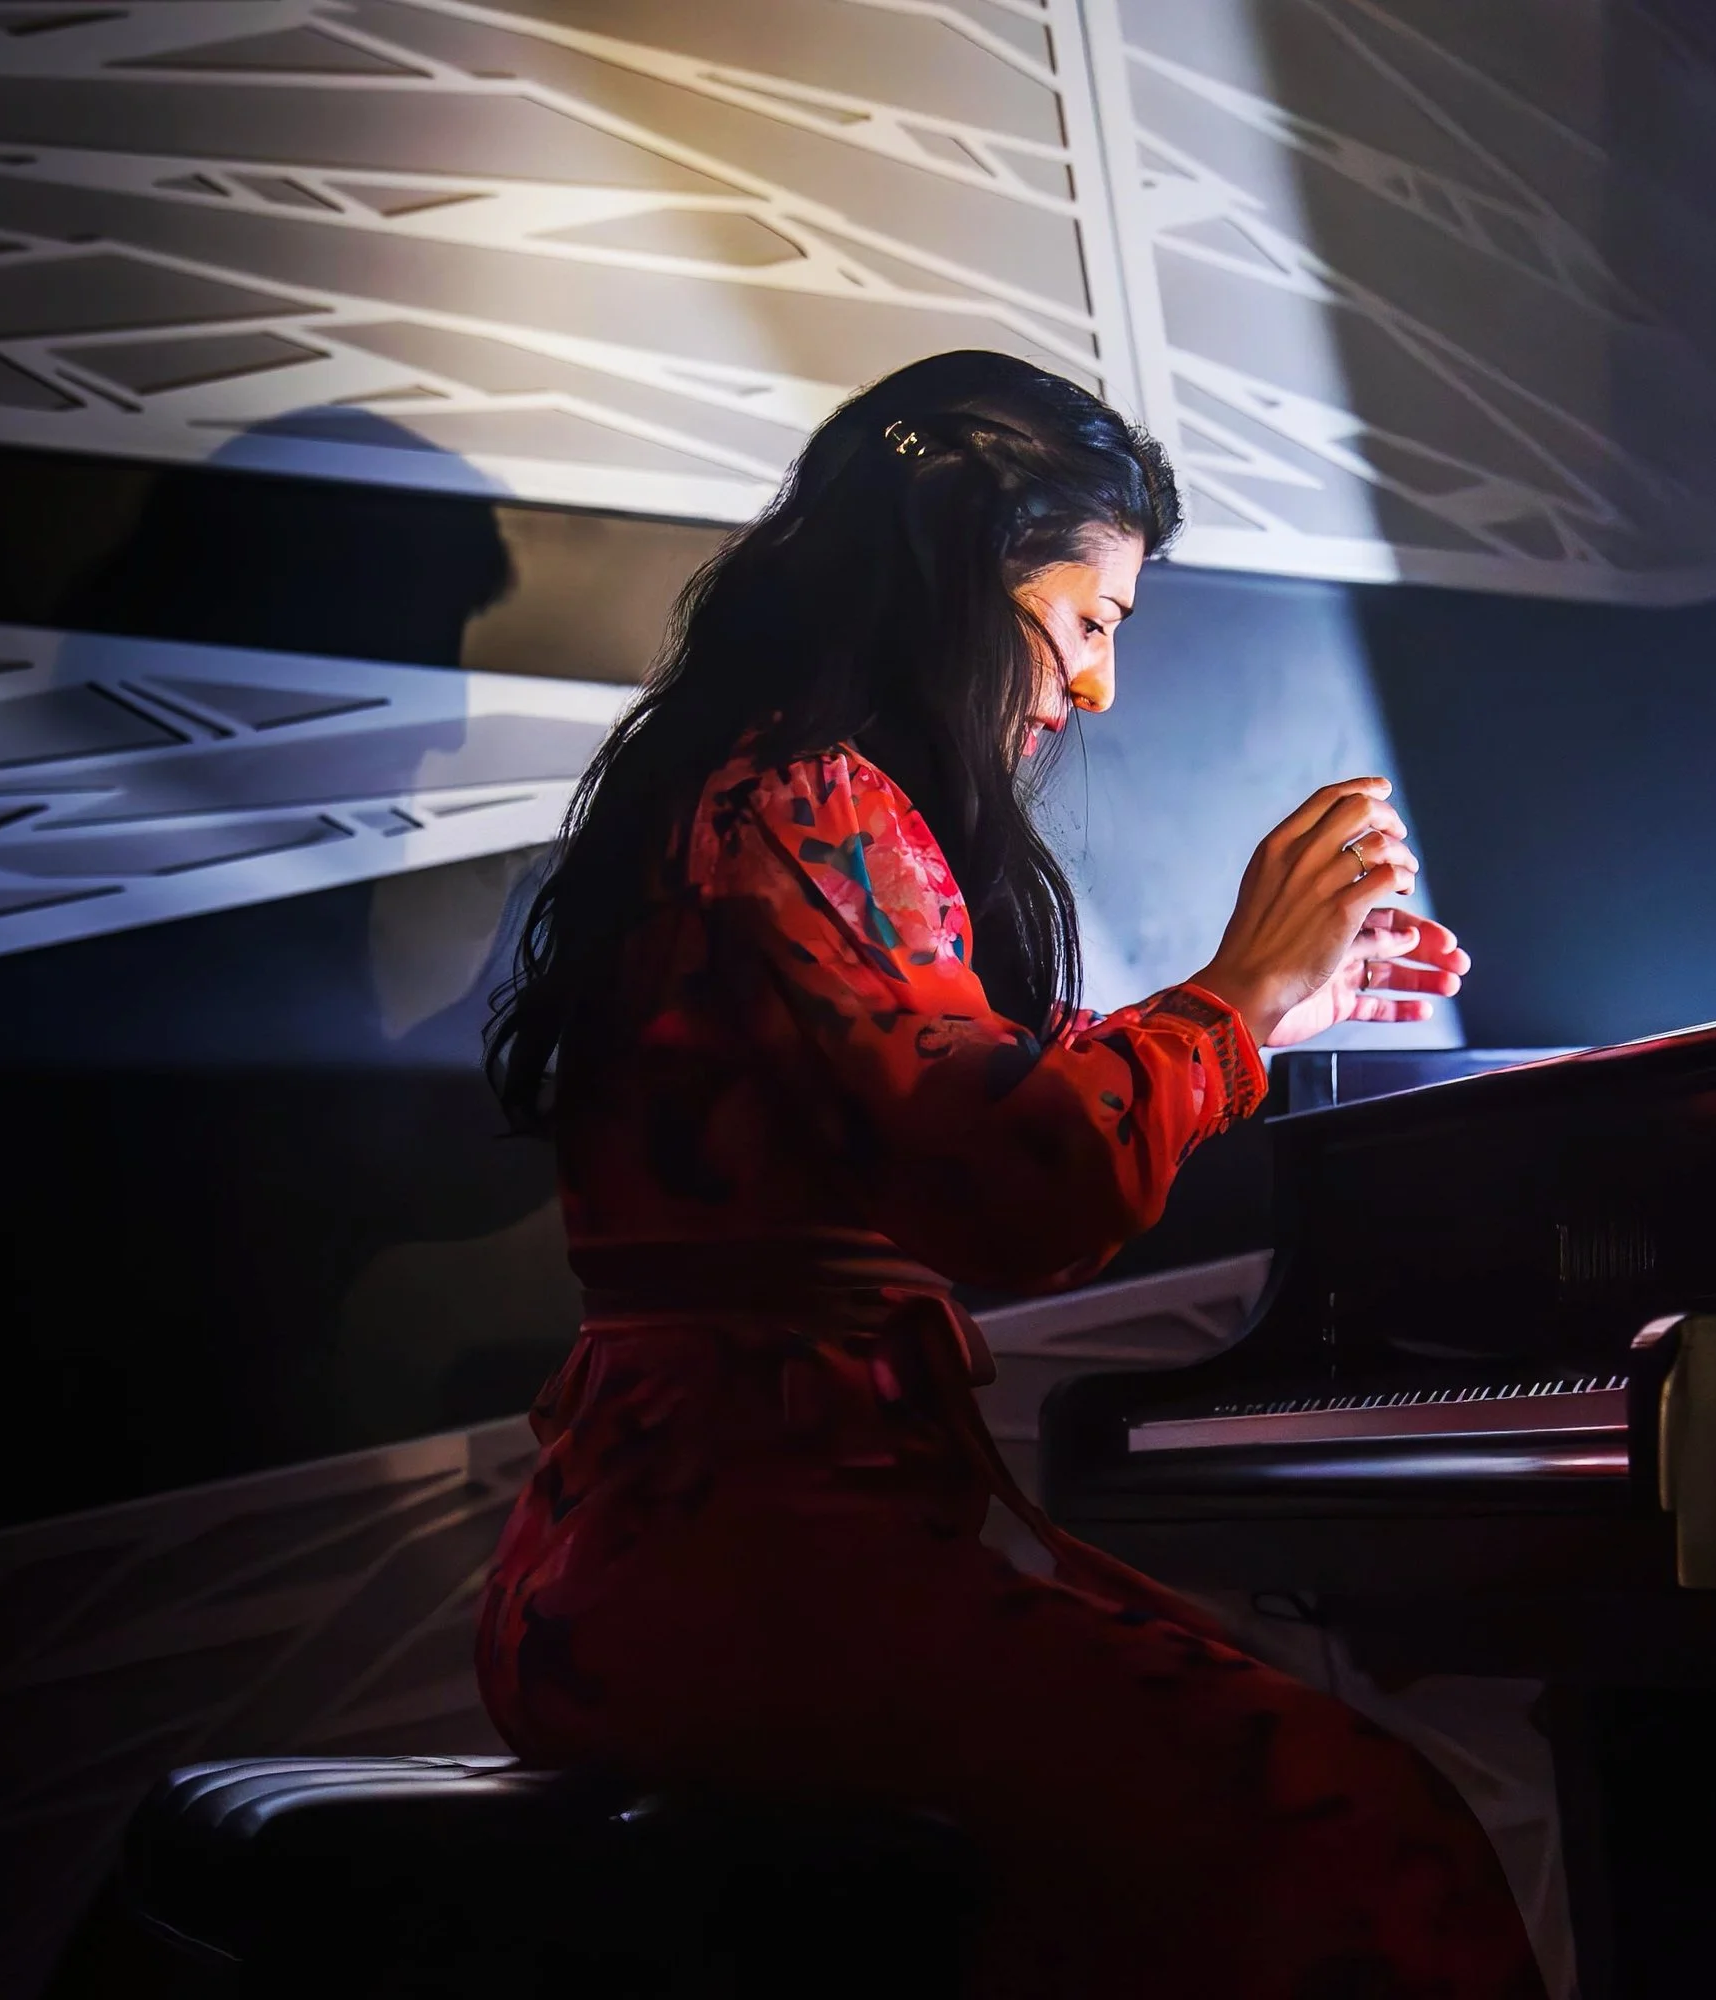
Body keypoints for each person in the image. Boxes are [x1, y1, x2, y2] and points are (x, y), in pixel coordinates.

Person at [477, 351, 1542, 1998]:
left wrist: (1264, 1014)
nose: (1101, 686)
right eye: (1093, 618)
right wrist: (1236, 998)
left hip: (672, 1548)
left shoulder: (765, 792)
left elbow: (957, 1108)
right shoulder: (811, 801)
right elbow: (1023, 1185)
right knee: (1355, 1829)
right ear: (966, 582)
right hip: (746, 1565)